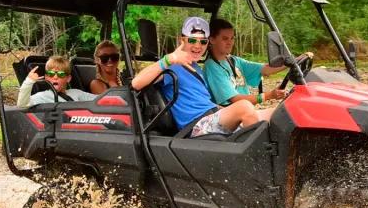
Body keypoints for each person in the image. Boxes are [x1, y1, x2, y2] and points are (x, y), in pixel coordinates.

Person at [131, 17, 273, 138]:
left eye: (203, 42)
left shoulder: (196, 67)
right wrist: (169, 59)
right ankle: (256, 163)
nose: (198, 46)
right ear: (182, 40)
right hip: (196, 125)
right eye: (192, 40)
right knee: (244, 107)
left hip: (212, 116)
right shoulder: (172, 66)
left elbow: (204, 102)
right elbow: (136, 83)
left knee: (273, 113)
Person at [204, 18, 310, 106]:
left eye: (232, 38)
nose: (230, 43)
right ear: (212, 40)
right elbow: (236, 100)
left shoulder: (233, 60)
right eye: (225, 39)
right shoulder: (212, 67)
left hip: (244, 113)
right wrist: (269, 95)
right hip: (231, 119)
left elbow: (265, 69)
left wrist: (294, 61)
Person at [17, 55, 97, 108]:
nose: (55, 77)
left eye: (60, 74)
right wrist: (29, 81)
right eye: (51, 74)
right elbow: (22, 105)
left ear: (68, 78)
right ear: (46, 77)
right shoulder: (43, 96)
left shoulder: (76, 93)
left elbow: (100, 99)